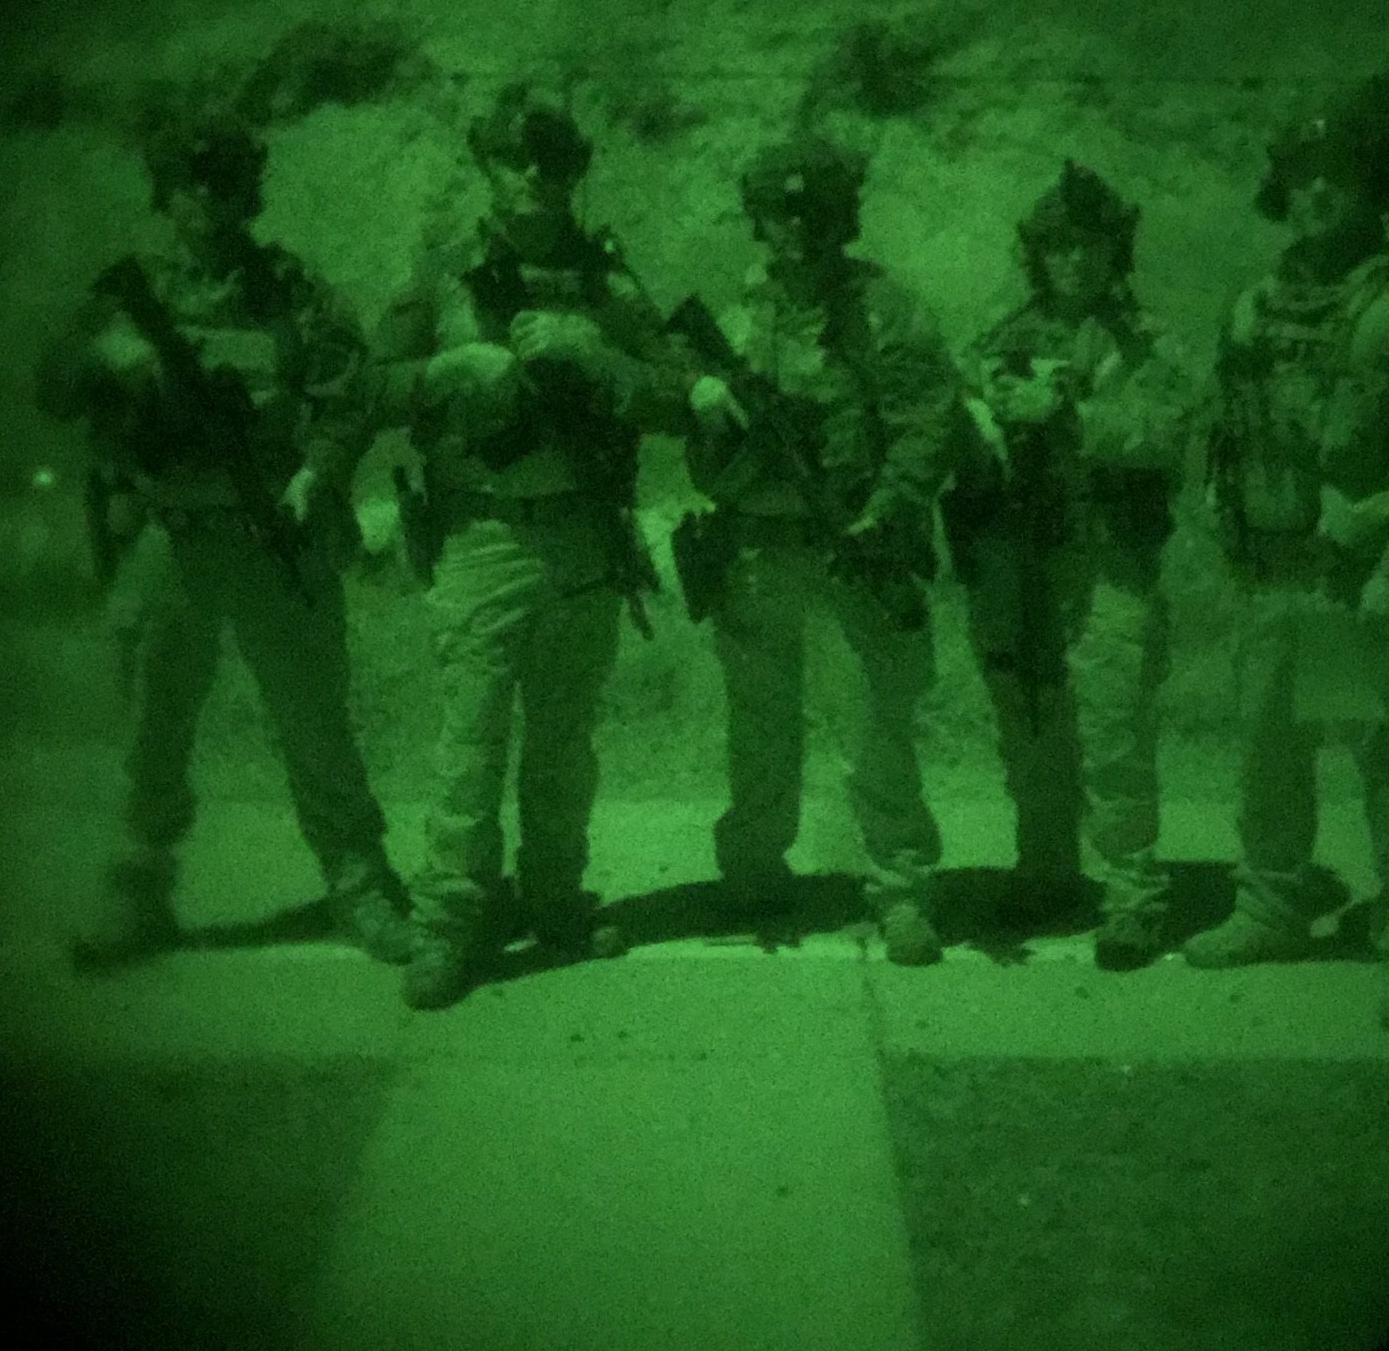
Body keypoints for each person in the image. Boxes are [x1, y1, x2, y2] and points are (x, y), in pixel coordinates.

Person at [36, 112, 410, 968]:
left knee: (315, 721)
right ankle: (141, 887)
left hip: (274, 530)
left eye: (225, 182)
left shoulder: (291, 292)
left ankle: (358, 884)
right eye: (190, 183)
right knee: (154, 726)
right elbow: (51, 383)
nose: (207, 199)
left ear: (249, 193)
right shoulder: (130, 297)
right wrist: (109, 357)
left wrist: (317, 469)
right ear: (167, 195)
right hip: (172, 540)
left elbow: (350, 392)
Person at [1186, 34, 1389, 1031]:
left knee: (1387, 765)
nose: (1318, 196)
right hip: (1270, 576)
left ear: (1373, 186)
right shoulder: (1249, 308)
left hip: (1360, 582)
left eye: (1338, 178)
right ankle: (1270, 901)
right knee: (1265, 752)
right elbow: (1222, 436)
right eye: (1301, 180)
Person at [370, 83, 686, 1011]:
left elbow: (684, 394)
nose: (534, 182)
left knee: (563, 743)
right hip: (483, 538)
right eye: (514, 162)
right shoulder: (442, 273)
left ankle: (554, 899)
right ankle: (448, 925)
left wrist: (600, 354)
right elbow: (357, 385)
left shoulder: (608, 284)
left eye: (552, 165)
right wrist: (444, 371)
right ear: (488, 168)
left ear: (574, 176)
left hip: (583, 540)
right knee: (468, 744)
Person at [679, 131, 960, 963]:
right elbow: (689, 411)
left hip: (850, 543)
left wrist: (887, 505)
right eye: (777, 213)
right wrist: (701, 402)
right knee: (760, 722)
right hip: (756, 547)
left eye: (811, 212)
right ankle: (757, 874)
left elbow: (926, 418)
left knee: (873, 722)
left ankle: (902, 888)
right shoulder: (737, 313)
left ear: (842, 217)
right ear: (757, 220)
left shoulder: (885, 309)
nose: (794, 228)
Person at [944, 161, 1198, 967]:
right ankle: (1047, 869)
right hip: (1018, 554)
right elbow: (955, 412)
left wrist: (1072, 414)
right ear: (1039, 256)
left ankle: (1132, 894)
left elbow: (1165, 432)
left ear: (1114, 252)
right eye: (1059, 248)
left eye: (1091, 247)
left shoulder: (1148, 341)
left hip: (1106, 556)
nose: (1076, 263)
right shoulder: (1003, 331)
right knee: (1029, 717)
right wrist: (983, 413)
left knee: (1114, 725)